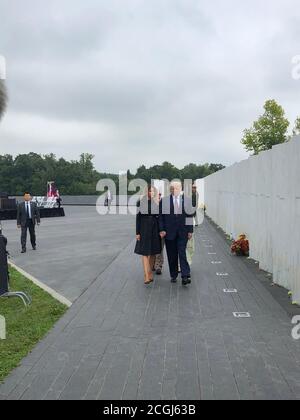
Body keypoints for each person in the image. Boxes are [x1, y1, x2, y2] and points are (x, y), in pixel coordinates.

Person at [159, 181, 194, 286]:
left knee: (182, 253)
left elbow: (189, 216)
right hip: (169, 233)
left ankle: (185, 275)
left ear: (181, 188)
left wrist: (190, 230)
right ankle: (173, 275)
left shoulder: (187, 201)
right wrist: (162, 229)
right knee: (172, 255)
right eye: (172, 188)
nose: (174, 190)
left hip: (183, 232)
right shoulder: (164, 201)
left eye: (177, 188)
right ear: (170, 189)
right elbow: (161, 217)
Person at [135, 185, 162, 285]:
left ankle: (150, 272)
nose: (152, 193)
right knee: (145, 252)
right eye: (150, 191)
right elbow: (138, 218)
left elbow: (159, 218)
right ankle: (146, 275)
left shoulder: (157, 203)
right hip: (144, 227)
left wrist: (161, 230)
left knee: (153, 252)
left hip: (154, 228)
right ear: (147, 192)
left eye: (153, 192)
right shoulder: (140, 202)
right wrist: (137, 232)